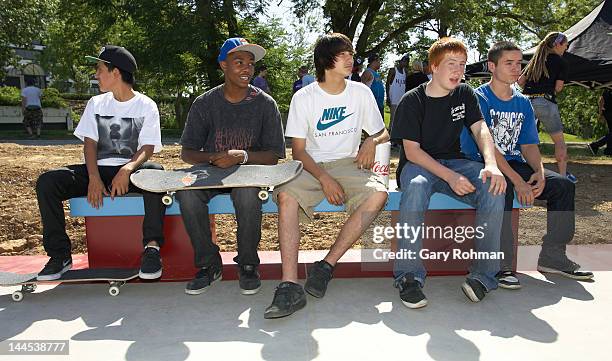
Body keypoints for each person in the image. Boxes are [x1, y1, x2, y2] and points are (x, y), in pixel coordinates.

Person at [264, 33, 389, 319]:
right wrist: (324, 178)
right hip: (311, 165)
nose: (350, 59)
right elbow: (298, 151)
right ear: (325, 61)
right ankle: (289, 286)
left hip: (349, 162)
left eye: (351, 53)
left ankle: (326, 265)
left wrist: (370, 141)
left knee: (379, 195)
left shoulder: (361, 92)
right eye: (343, 54)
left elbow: (382, 131)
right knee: (285, 196)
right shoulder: (304, 97)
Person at [461, 41, 594, 289]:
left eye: (519, 63)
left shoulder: (523, 102)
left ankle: (552, 256)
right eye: (508, 63)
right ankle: (500, 265)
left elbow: (529, 145)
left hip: (514, 163)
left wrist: (540, 173)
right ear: (492, 66)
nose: (516, 68)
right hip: (483, 164)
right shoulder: (478, 98)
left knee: (564, 186)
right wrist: (518, 180)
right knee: (501, 187)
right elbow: (487, 147)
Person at [391, 37, 506, 309]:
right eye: (450, 64)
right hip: (419, 165)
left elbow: (480, 129)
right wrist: (450, 177)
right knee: (417, 186)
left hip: (456, 162)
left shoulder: (465, 93)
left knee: (492, 185)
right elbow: (413, 151)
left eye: (462, 65)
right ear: (433, 67)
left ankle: (484, 276)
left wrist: (491, 164)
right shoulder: (412, 100)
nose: (458, 71)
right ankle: (409, 276)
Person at [35, 45, 166, 281]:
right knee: (47, 182)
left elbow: (147, 148)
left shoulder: (146, 105)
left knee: (156, 174)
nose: (96, 75)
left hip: (131, 171)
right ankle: (60, 256)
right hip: (97, 170)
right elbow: (90, 144)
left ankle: (152, 250)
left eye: (100, 69)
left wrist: (126, 169)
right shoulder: (96, 103)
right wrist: (93, 178)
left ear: (116, 72)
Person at [176, 38, 285, 296]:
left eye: (251, 64)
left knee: (247, 195)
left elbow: (274, 156)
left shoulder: (265, 104)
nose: (246, 68)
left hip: (248, 172)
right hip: (210, 171)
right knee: (187, 195)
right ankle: (208, 264)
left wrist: (242, 156)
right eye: (239, 62)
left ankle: (247, 263)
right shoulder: (205, 103)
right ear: (223, 65)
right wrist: (214, 157)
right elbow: (187, 153)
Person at [518, 32, 577, 183]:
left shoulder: (535, 60)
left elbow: (520, 81)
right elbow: (558, 88)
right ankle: (563, 176)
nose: (567, 47)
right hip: (545, 101)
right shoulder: (561, 62)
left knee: (524, 141)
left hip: (526, 102)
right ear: (557, 45)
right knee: (559, 142)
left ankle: (522, 173)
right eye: (565, 45)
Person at [386, 54, 409, 132]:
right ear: (400, 61)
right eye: (404, 61)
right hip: (394, 99)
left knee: (401, 119)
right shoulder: (393, 70)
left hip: (402, 99)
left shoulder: (405, 72)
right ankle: (390, 136)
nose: (406, 63)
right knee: (393, 119)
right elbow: (387, 84)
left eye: (407, 61)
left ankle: (397, 137)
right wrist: (388, 97)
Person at [588, 89, 612, 156]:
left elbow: (601, 100)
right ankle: (595, 145)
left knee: (611, 133)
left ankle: (609, 151)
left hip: (607, 113)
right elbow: (601, 100)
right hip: (609, 112)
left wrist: (601, 114)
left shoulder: (607, 87)